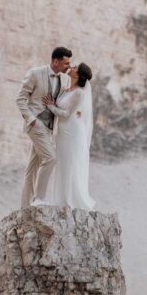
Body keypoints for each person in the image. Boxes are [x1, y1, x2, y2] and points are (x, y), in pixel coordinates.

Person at [15, 47, 72, 208]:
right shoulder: (35, 73)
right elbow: (20, 99)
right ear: (56, 61)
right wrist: (31, 119)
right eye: (66, 63)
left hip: (48, 128)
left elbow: (66, 100)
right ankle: (38, 198)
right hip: (36, 124)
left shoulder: (64, 79)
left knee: (32, 167)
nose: (68, 66)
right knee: (51, 158)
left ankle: (25, 208)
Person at [43, 62, 95, 209]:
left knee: (70, 163)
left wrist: (51, 106)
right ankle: (61, 200)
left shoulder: (79, 93)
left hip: (72, 131)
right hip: (63, 132)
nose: (72, 67)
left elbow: (66, 114)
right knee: (63, 163)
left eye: (75, 68)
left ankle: (70, 201)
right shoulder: (66, 89)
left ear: (78, 75)